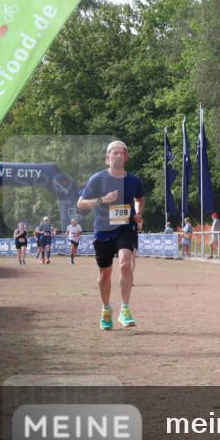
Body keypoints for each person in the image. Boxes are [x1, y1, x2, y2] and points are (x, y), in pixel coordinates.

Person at [77, 140, 145, 330]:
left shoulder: (134, 181)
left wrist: (139, 213)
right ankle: (106, 309)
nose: (117, 156)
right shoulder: (97, 179)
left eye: (120, 153)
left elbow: (140, 198)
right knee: (105, 274)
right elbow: (80, 204)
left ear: (126, 157)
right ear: (107, 158)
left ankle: (125, 309)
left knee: (125, 264)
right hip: (103, 231)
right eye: (113, 153)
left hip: (125, 228)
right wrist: (102, 200)